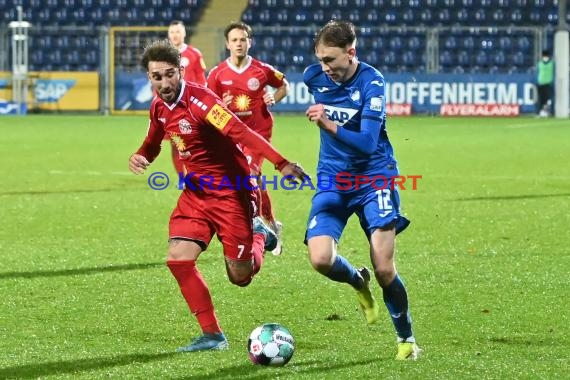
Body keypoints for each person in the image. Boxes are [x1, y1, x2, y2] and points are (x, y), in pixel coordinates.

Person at [128, 39, 308, 353]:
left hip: (232, 193)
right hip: (196, 194)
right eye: (157, 77)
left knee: (240, 277)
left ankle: (259, 236)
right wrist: (141, 156)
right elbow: (153, 143)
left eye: (170, 74)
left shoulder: (203, 102)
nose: (164, 82)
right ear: (149, 77)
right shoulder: (158, 106)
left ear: (180, 71)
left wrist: (281, 163)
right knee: (178, 260)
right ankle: (212, 336)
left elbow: (240, 132)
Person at [303, 20, 421, 360]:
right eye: (321, 59)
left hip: (374, 177)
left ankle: (406, 339)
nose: (325, 68)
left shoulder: (372, 81)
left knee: (384, 267)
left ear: (351, 53)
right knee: (320, 259)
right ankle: (357, 281)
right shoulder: (314, 77)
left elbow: (368, 143)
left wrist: (329, 124)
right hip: (333, 179)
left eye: (331, 60)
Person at [207, 21, 290, 255]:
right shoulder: (217, 74)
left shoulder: (262, 70)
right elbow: (208, 103)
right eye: (234, 40)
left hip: (259, 134)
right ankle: (271, 223)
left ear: (249, 42)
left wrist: (275, 97)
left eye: (243, 39)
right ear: (227, 44)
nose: (239, 44)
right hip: (232, 136)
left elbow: (284, 85)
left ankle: (257, 228)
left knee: (249, 175)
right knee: (255, 178)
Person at [167, 20, 208, 175]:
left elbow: (201, 80)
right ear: (168, 34)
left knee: (195, 142)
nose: (175, 35)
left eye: (178, 31)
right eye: (172, 32)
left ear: (184, 33)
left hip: (191, 106)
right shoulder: (162, 55)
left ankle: (196, 173)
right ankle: (181, 177)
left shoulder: (194, 54)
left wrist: (202, 103)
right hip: (171, 107)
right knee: (175, 143)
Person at [536, 49, 554, 117]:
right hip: (541, 83)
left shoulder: (551, 64)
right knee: (541, 98)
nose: (545, 57)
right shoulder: (540, 63)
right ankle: (541, 111)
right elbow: (538, 72)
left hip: (548, 83)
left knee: (548, 99)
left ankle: (546, 111)